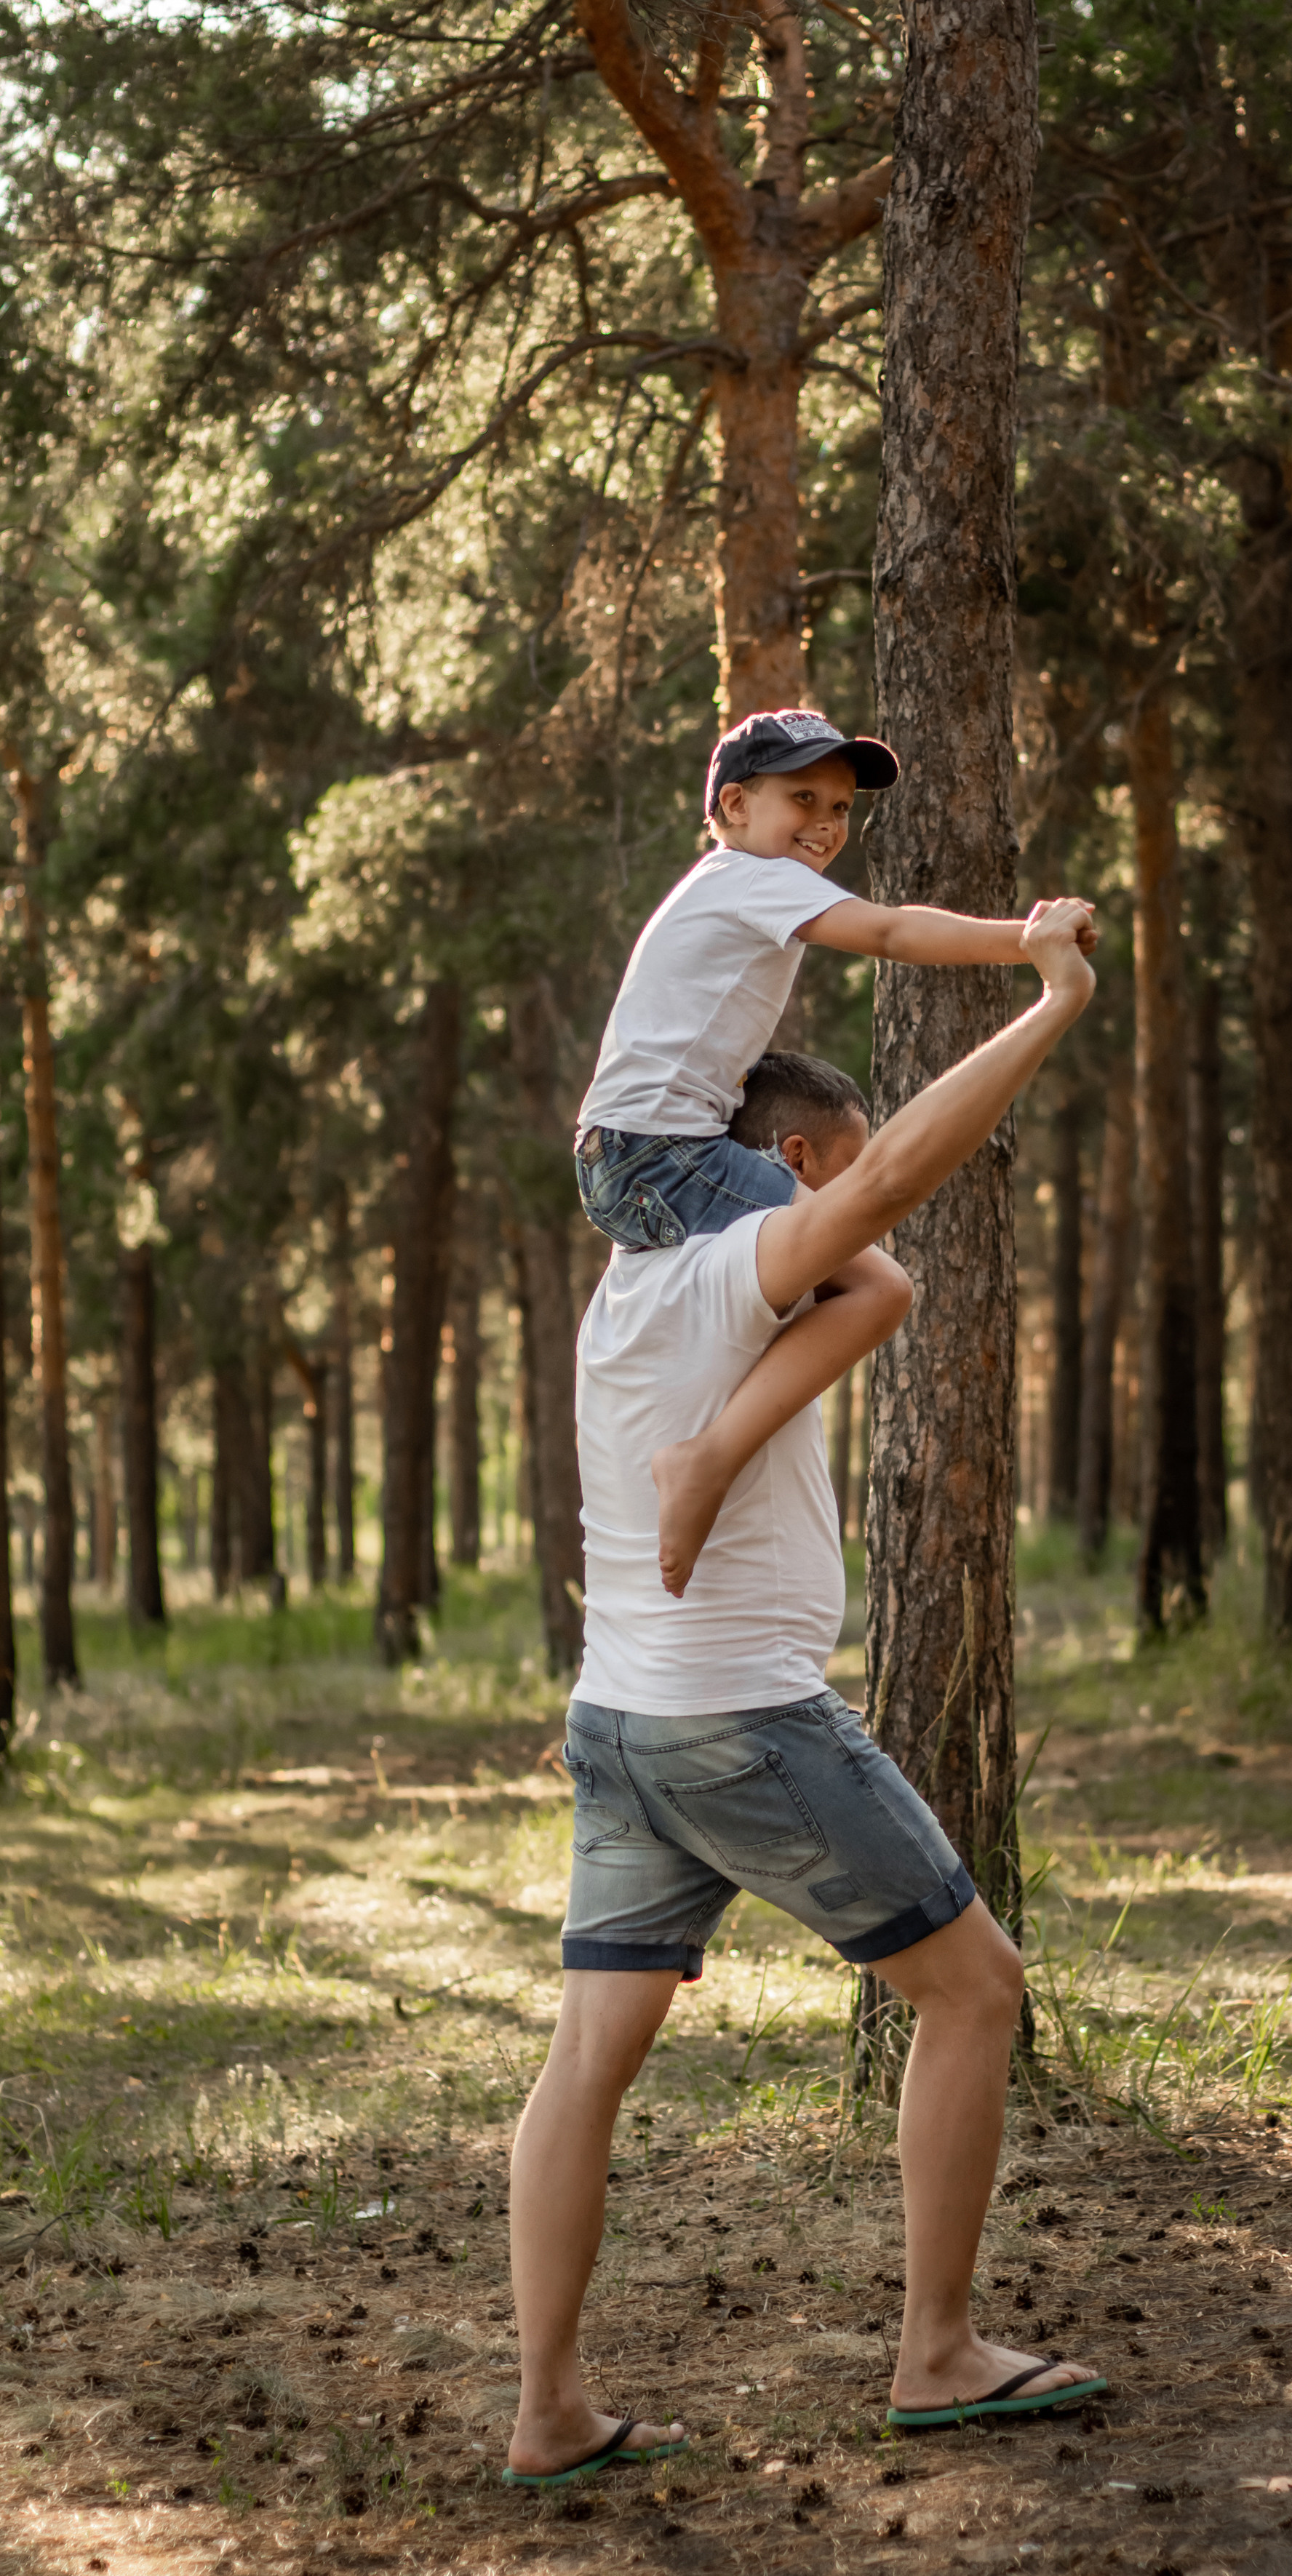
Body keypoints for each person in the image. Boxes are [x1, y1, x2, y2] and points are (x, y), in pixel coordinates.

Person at [503, 896, 1102, 2491]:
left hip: (620, 1727)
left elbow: (879, 1271)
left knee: (587, 2061)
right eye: (821, 1187)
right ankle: (939, 2353)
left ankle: (550, 2407)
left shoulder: (624, 1298)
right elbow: (899, 1177)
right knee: (976, 1992)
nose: (849, 1221)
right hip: (740, 1725)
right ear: (772, 1167)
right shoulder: (724, 1267)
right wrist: (1044, 1007)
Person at [573, 706, 1093, 1598]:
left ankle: (713, 1449)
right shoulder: (751, 877)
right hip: (655, 1156)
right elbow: (892, 934)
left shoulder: (730, 883)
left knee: (830, 1284)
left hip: (633, 1157)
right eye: (801, 798)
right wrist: (1029, 940)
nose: (825, 824)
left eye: (843, 808)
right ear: (735, 806)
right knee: (879, 1287)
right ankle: (704, 1460)